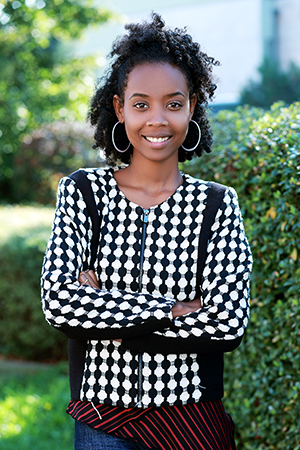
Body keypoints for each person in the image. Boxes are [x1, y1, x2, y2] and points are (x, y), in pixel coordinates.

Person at [41, 13, 252, 450]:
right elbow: (60, 305)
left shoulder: (217, 204)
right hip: (102, 416)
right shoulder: (84, 192)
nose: (157, 120)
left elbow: (227, 324)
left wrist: (108, 317)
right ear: (119, 108)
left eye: (173, 104)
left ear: (192, 106)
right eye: (141, 104)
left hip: (191, 418)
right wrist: (174, 309)